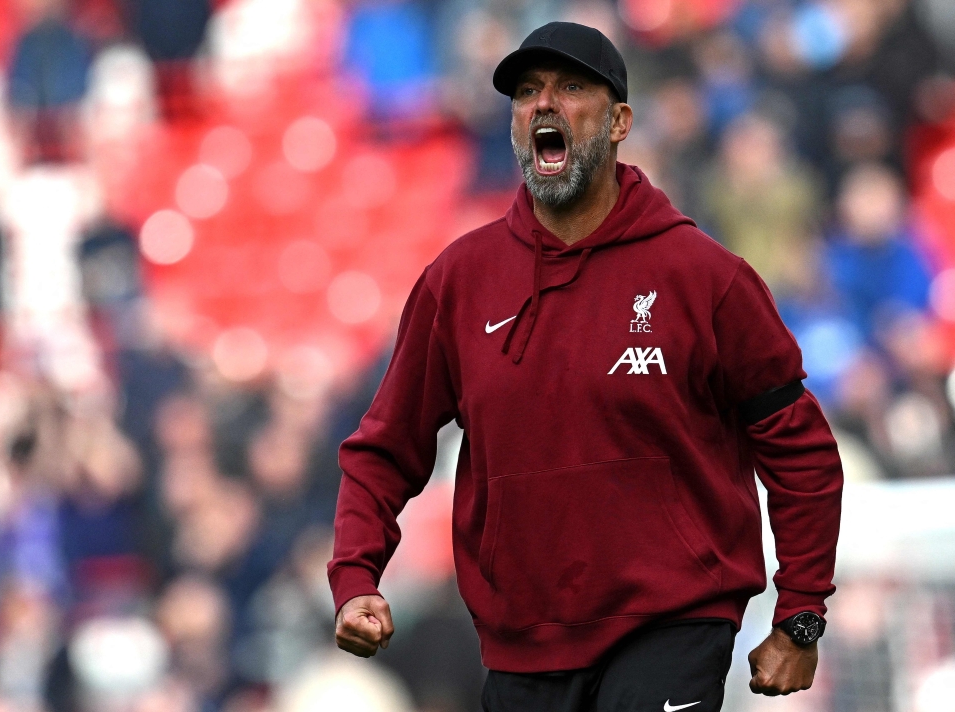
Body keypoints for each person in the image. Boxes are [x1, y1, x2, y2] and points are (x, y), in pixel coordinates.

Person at [328, 22, 844, 712]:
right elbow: (386, 447)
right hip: (519, 644)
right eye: (527, 92)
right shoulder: (459, 281)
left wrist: (800, 614)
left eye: (572, 88)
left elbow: (801, 452)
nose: (544, 104)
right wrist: (357, 575)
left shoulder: (706, 278)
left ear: (621, 120)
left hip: (674, 625)